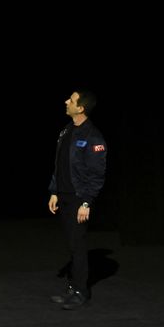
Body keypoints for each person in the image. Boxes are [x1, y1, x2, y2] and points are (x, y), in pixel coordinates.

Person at [47, 90, 107, 310]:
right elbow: (60, 165)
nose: (66, 101)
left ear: (80, 108)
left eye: (71, 100)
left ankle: (81, 292)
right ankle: (73, 287)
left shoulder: (93, 136)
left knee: (78, 245)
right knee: (72, 245)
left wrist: (86, 202)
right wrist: (54, 191)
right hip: (64, 195)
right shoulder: (66, 130)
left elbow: (97, 173)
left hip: (78, 199)